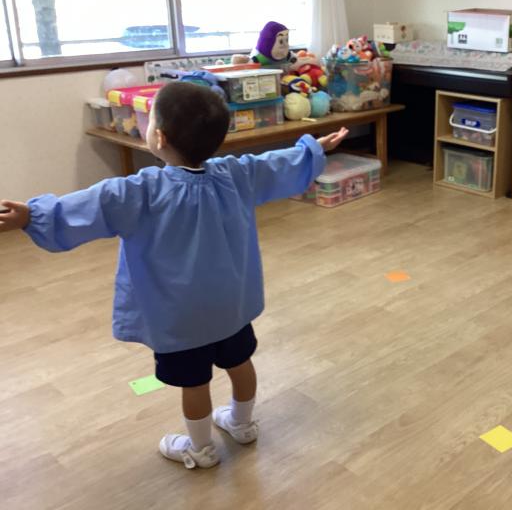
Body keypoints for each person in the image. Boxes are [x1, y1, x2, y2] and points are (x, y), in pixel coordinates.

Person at [0, 82, 348, 469]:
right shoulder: (236, 174)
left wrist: (31, 216)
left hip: (181, 318)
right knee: (240, 363)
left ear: (159, 137)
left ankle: (200, 449)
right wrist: (313, 149)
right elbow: (275, 165)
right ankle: (242, 423)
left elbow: (85, 207)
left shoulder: (140, 191)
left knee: (194, 383)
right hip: (230, 306)